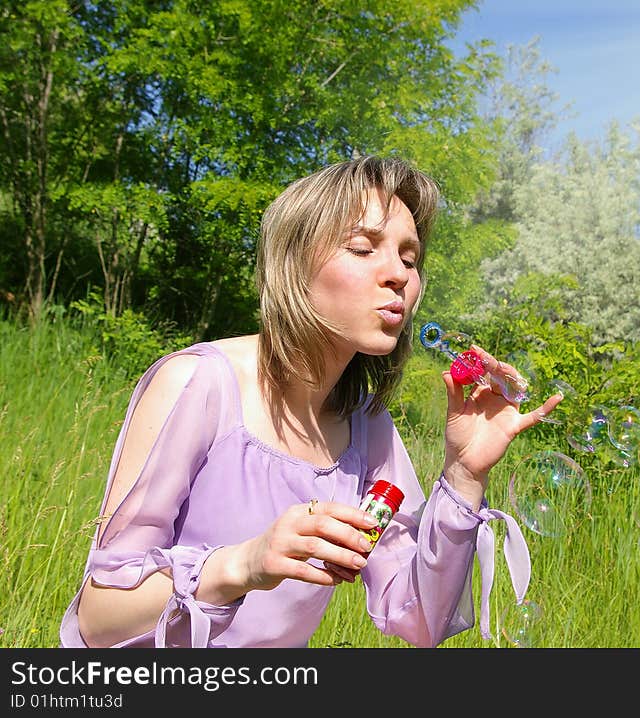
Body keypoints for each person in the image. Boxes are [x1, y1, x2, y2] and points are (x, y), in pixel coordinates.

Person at [59, 155, 561, 648]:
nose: (400, 275)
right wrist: (244, 563)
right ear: (294, 264)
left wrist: (464, 476)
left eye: (410, 259)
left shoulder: (368, 428)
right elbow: (100, 616)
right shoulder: (199, 384)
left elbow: (419, 620)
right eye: (363, 249)